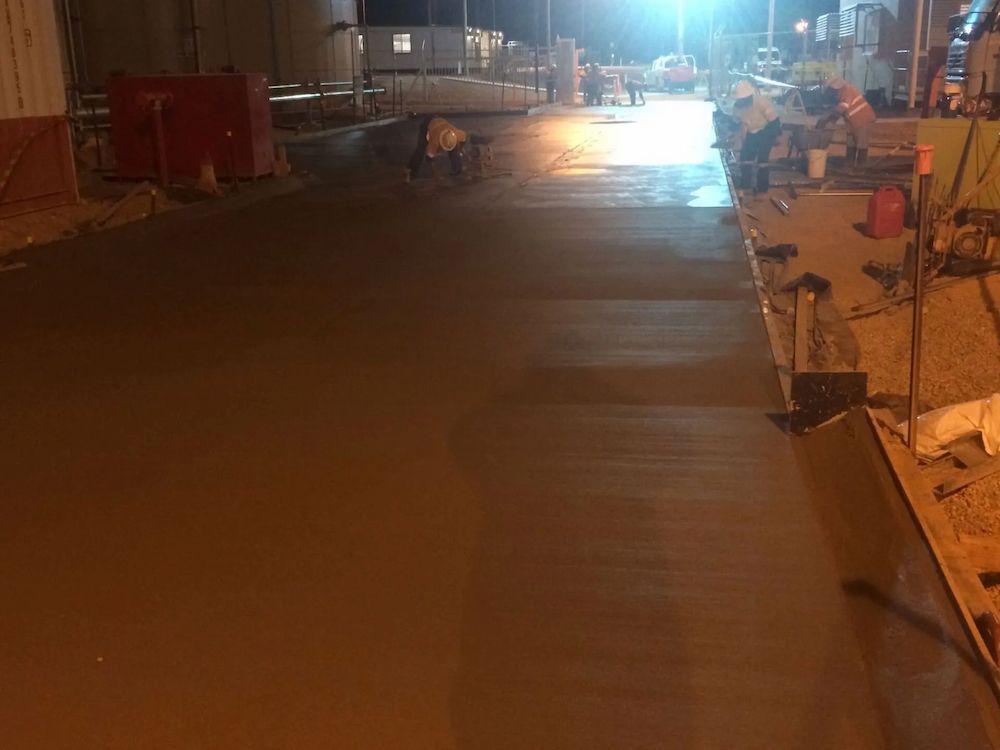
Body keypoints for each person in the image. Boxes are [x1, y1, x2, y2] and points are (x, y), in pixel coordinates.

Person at [731, 80, 781, 193]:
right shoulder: (737, 107)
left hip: (766, 130)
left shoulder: (761, 102)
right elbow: (736, 124)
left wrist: (773, 137)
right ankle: (746, 184)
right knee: (745, 158)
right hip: (751, 132)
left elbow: (774, 122)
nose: (742, 102)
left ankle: (762, 188)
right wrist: (736, 138)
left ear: (749, 96)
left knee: (762, 160)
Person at [818, 76, 876, 167]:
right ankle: (849, 165)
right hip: (852, 122)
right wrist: (829, 119)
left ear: (834, 87)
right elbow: (840, 110)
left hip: (863, 119)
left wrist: (827, 119)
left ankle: (861, 167)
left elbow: (843, 107)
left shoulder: (847, 90)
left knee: (861, 143)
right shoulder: (840, 93)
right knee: (850, 143)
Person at [407, 115, 468, 180]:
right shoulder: (434, 142)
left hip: (439, 120)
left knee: (454, 150)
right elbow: (430, 158)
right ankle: (410, 171)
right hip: (427, 124)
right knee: (421, 149)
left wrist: (459, 149)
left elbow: (464, 139)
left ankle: (457, 170)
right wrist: (436, 175)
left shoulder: (456, 134)